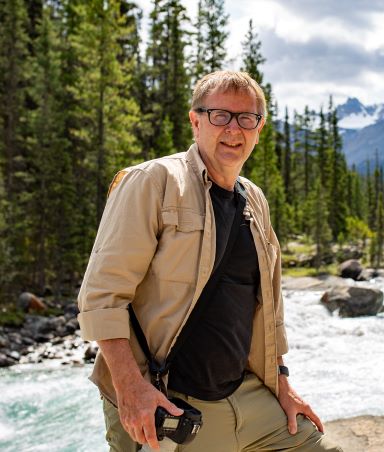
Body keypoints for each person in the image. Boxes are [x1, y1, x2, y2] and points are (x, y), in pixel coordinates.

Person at [77, 71, 342, 452]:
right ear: (195, 120)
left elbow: (268, 306)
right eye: (220, 115)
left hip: (246, 397)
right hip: (171, 403)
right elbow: (102, 297)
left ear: (258, 129)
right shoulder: (152, 182)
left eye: (246, 118)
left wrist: (283, 384)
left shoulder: (254, 200)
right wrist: (130, 389)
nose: (233, 129)